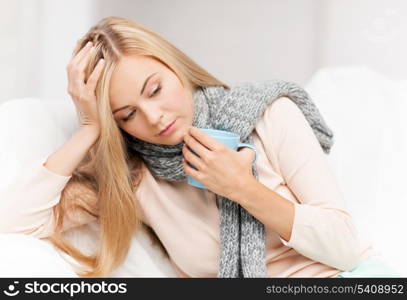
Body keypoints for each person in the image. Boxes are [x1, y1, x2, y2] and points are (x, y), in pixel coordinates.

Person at [0, 16, 400, 278]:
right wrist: (89, 128)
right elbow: (15, 224)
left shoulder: (268, 115)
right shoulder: (134, 179)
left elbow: (347, 247)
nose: (154, 117)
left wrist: (244, 189)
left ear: (174, 66)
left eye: (154, 89)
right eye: (127, 115)